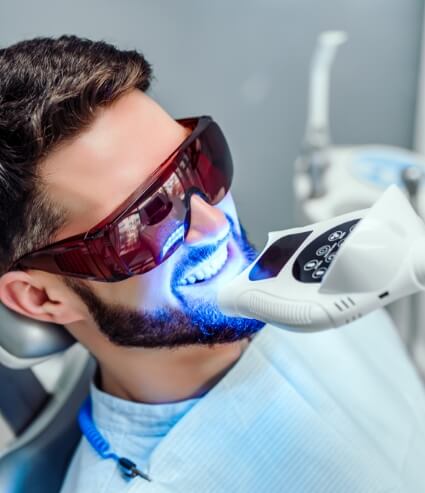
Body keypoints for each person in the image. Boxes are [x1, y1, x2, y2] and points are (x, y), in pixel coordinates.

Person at [0, 35, 424, 493]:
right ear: (41, 297)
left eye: (197, 165)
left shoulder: (321, 280)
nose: (213, 223)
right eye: (146, 217)